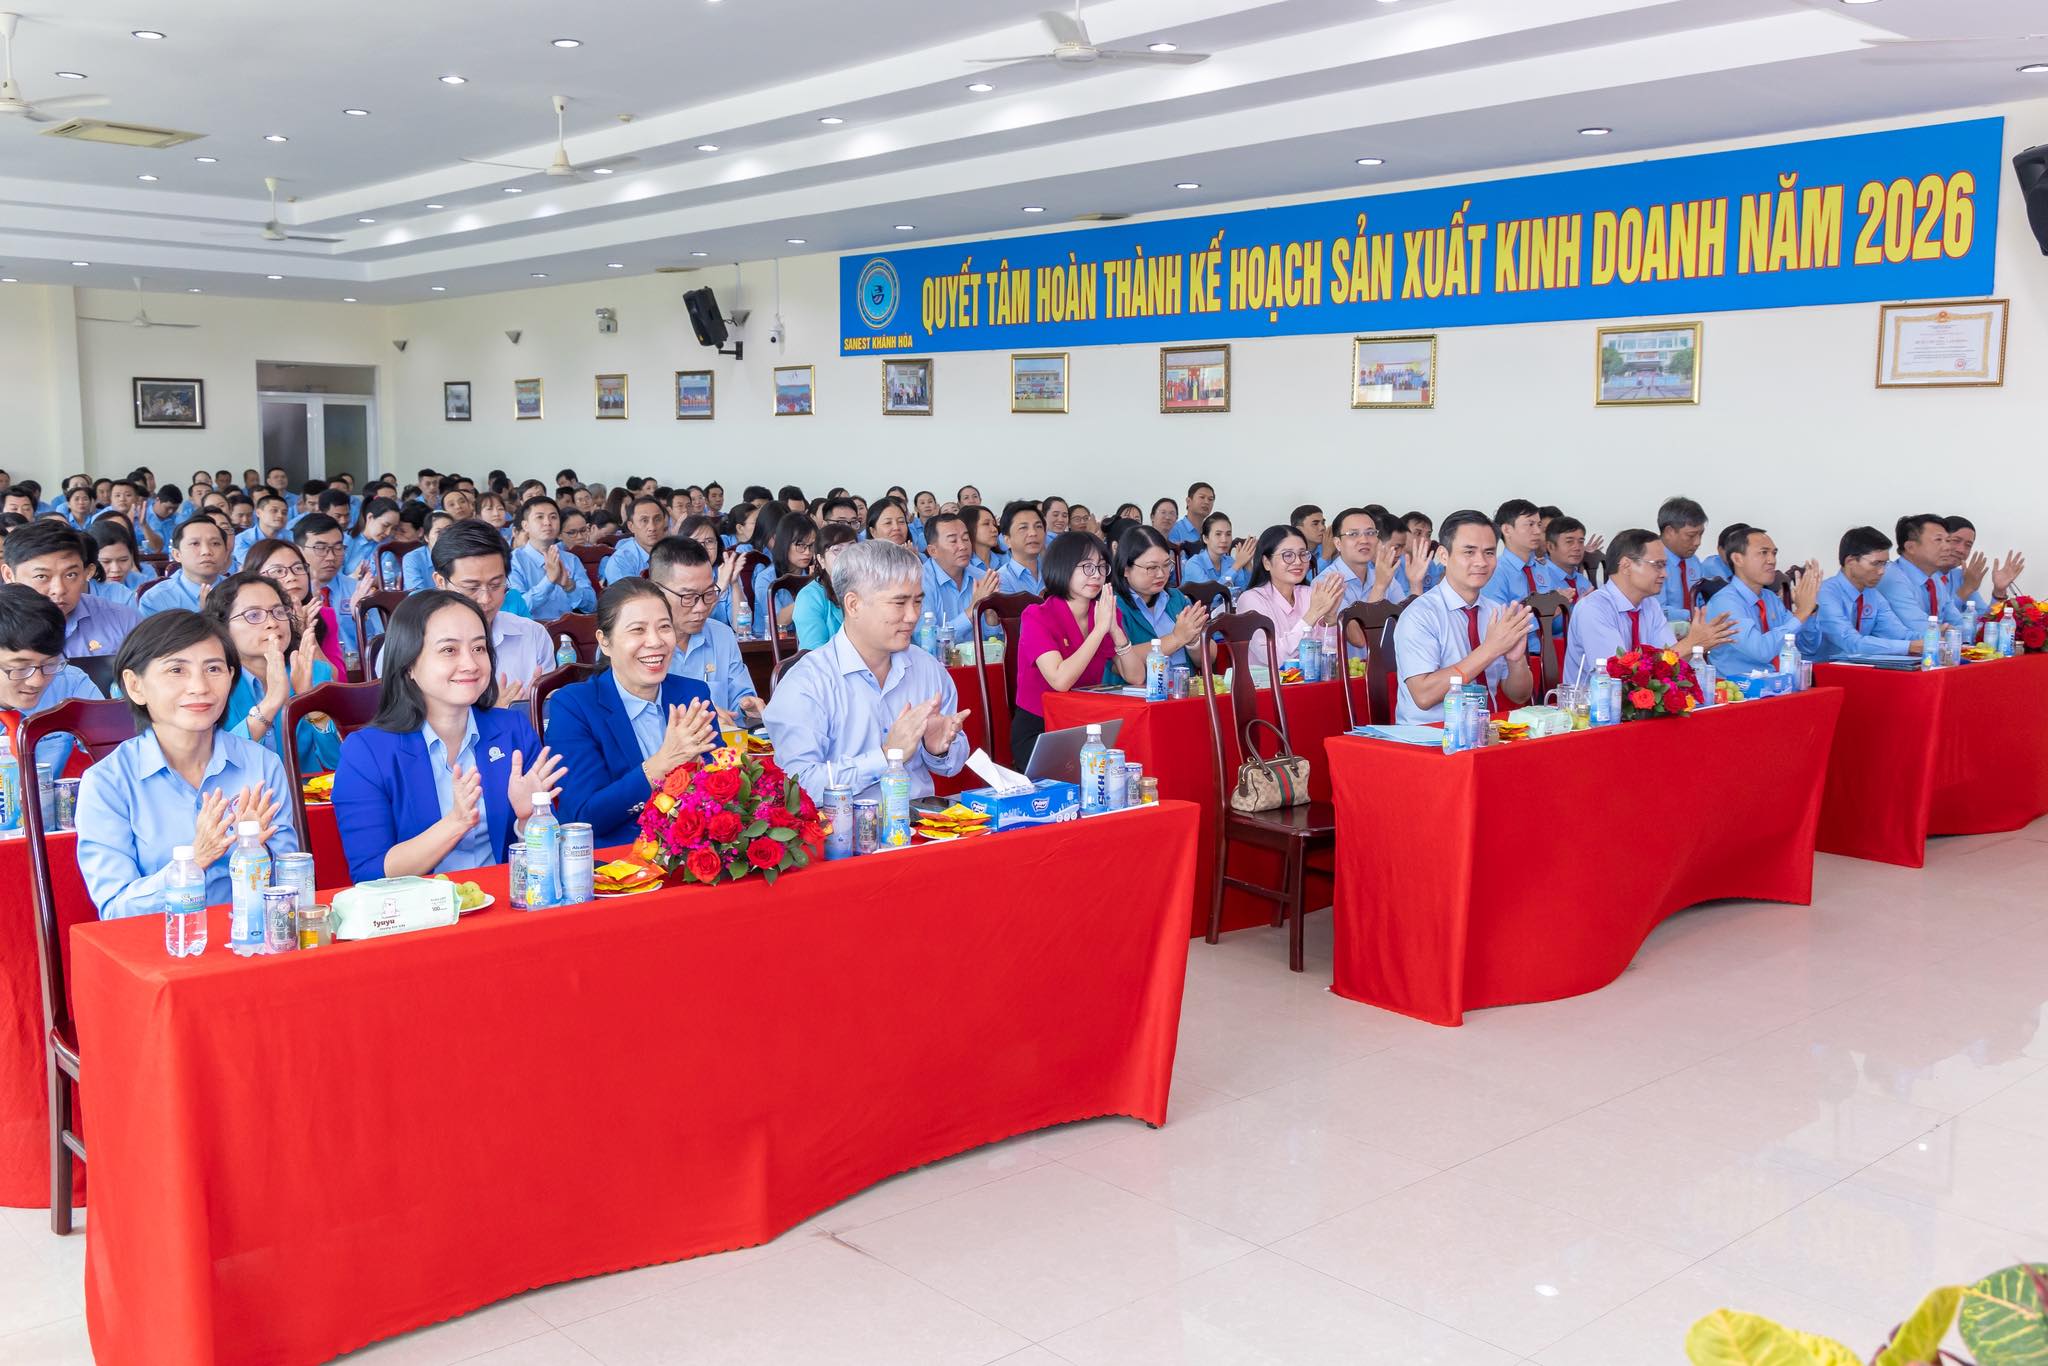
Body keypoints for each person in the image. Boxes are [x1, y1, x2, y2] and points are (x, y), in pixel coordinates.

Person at [74, 610, 297, 919]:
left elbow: (290, 885)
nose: (199, 686)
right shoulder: (107, 781)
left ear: (231, 678)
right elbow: (116, 909)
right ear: (135, 686)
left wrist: (257, 854)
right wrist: (195, 861)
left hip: (251, 936)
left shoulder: (262, 765)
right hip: (158, 943)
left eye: (213, 669)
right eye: (177, 670)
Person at [333, 592, 565, 882]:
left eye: (479, 648)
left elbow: (551, 859)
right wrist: (455, 823)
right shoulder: (367, 752)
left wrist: (529, 819)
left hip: (504, 900)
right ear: (409, 664)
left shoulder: (512, 731)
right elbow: (370, 872)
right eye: (449, 650)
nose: (471, 663)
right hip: (420, 909)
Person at [762, 540, 971, 802]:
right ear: (853, 605)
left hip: (920, 820)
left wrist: (937, 750)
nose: (912, 615)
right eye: (899, 603)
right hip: (840, 825)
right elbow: (797, 787)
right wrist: (885, 756)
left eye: (918, 601)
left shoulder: (928, 668)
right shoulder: (807, 682)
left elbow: (953, 765)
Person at [543, 580, 716, 847]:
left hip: (694, 852)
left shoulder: (692, 694)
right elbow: (583, 817)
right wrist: (660, 765)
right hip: (618, 860)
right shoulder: (574, 706)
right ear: (605, 642)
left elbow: (719, 786)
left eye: (664, 627)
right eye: (638, 630)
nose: (655, 642)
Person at [1008, 532, 1142, 765]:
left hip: (1087, 725)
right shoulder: (1036, 616)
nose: (1097, 575)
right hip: (1041, 729)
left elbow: (1136, 676)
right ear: (1063, 567)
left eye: (1102, 567)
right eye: (1087, 567)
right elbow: (1060, 681)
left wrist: (1115, 630)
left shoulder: (1102, 613)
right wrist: (1099, 630)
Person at [1391, 509, 1535, 724]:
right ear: (1443, 555)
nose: (1481, 562)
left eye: (1489, 552)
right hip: (1430, 735)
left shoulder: (1496, 612)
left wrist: (1516, 661)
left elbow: (1519, 695)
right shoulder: (1420, 614)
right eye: (1469, 552)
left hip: (1485, 731)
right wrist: (1490, 649)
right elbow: (1423, 696)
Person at [202, 569, 339, 772]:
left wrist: (310, 702)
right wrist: (270, 703)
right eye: (253, 615)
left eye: (279, 612)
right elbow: (216, 764)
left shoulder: (314, 672)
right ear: (223, 627)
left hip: (305, 790)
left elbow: (337, 760)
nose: (272, 623)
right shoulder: (212, 683)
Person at [1562, 529, 1735, 684]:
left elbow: (1668, 662)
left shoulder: (1650, 604)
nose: (1665, 574)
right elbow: (1618, 675)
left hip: (1643, 703)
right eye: (1658, 565)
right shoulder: (1593, 608)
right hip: (1593, 706)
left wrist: (1697, 647)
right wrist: (1690, 644)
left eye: (1665, 566)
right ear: (1626, 565)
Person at [651, 535, 762, 723]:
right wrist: (699, 716)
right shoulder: (640, 646)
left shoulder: (722, 636)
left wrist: (747, 709)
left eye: (709, 593)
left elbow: (740, 700)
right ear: (657, 591)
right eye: (688, 597)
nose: (701, 607)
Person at [0, 584, 105, 776]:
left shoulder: (71, 684)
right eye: (21, 668)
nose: (37, 681)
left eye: (50, 664)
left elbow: (111, 755)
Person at [2, 521, 143, 657]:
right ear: (9, 575)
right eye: (41, 577)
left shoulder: (123, 621)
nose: (59, 589)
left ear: (87, 572)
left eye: (70, 575)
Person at [1702, 525, 1822, 677]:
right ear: (1738, 559)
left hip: (1776, 683)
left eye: (1774, 553)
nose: (1772, 560)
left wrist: (1810, 609)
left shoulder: (1770, 598)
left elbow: (1807, 648)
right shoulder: (1725, 602)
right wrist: (1801, 613)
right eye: (1763, 553)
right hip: (1738, 687)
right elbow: (1761, 651)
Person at [1877, 513, 2021, 634]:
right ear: (1910, 547)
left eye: (1947, 540)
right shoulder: (1892, 577)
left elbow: (1960, 623)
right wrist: (1953, 631)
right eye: (1939, 540)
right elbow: (1923, 630)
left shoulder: (1934, 578)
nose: (1947, 547)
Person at [1238, 524, 1344, 664]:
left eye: (1303, 554)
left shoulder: (1309, 594)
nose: (1298, 561)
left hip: (1311, 677)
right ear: (1267, 562)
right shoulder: (1250, 600)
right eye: (1288, 555)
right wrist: (1312, 614)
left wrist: (1330, 619)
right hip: (1267, 678)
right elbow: (1272, 657)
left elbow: (1330, 657)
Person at [1109, 526, 1209, 673]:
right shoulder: (1112, 606)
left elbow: (1209, 658)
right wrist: (1177, 638)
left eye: (1166, 565)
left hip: (1183, 686)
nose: (1161, 574)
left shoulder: (1176, 598)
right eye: (1152, 568)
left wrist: (1194, 642)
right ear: (1125, 569)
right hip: (1137, 688)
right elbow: (1117, 662)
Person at [1815, 526, 1922, 661]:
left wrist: (1934, 640)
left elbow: (1901, 635)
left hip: (1857, 667)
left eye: (1884, 564)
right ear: (1850, 561)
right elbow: (1852, 642)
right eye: (1876, 563)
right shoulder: (1825, 593)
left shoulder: (1873, 595)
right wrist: (1909, 647)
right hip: (1821, 668)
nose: (1882, 571)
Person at [243, 535, 345, 677]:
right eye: (278, 571)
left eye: (298, 568)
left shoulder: (323, 615)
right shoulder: (248, 621)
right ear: (254, 578)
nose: (292, 577)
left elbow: (338, 680)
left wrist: (306, 635)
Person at [290, 513, 360, 670]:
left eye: (338, 548)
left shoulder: (358, 590)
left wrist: (361, 615)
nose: (331, 557)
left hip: (356, 672)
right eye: (321, 548)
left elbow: (379, 640)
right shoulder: (290, 595)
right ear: (299, 551)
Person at [509, 496, 596, 618]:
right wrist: (548, 581)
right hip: (530, 629)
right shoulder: (513, 561)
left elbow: (592, 607)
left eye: (553, 517)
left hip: (569, 629)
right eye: (540, 517)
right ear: (525, 525)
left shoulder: (571, 560)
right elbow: (516, 609)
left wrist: (569, 586)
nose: (548, 523)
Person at [920, 512, 1000, 641]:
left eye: (966, 539)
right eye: (953, 541)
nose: (963, 546)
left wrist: (991, 616)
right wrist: (972, 610)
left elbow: (994, 643)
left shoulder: (982, 578)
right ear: (933, 551)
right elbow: (928, 641)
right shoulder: (918, 583)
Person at [1318, 508, 1406, 615]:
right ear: (1338, 543)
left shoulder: (1381, 575)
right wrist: (1379, 587)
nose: (1364, 540)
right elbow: (1349, 625)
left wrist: (1415, 583)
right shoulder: (1325, 583)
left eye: (1370, 533)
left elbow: (1407, 617)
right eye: (1353, 534)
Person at [141, 516, 230, 617]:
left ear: (226, 553)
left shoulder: (238, 591)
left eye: (215, 543)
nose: (206, 551)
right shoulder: (156, 599)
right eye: (195, 543)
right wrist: (205, 615)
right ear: (177, 555)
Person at [793, 523, 859, 649]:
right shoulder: (809, 597)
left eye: (852, 548)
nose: (847, 556)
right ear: (821, 560)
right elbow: (814, 651)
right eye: (837, 550)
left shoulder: (869, 589)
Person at [751, 512, 816, 634]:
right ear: (784, 543)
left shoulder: (813, 573)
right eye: (800, 545)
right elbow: (779, 621)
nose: (807, 552)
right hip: (768, 642)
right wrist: (811, 589)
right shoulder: (765, 578)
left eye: (812, 545)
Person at [1654, 496, 1714, 623]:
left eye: (1701, 534)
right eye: (1691, 536)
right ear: (1669, 532)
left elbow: (1701, 601)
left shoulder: (1694, 562)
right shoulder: (1651, 562)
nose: (1698, 542)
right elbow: (1655, 610)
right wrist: (1693, 615)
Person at [1183, 513, 1252, 592]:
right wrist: (1237, 565)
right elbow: (1210, 595)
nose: (1224, 540)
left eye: (1228, 534)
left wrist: (1247, 564)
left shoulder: (1230, 561)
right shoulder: (1194, 564)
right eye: (1218, 534)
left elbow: (1245, 591)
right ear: (1205, 538)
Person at [996, 501, 1047, 595]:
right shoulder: (1000, 580)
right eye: (1023, 528)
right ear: (1007, 540)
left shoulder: (1055, 572)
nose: (1033, 533)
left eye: (1038, 526)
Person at [230, 493, 291, 568]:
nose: (280, 515)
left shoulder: (292, 536)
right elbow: (253, 566)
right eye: (274, 510)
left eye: (284, 513)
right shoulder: (242, 539)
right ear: (258, 513)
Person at [400, 510, 456, 592]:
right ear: (426, 537)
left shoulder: (460, 556)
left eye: (449, 531)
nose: (445, 536)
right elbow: (417, 594)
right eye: (439, 532)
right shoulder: (412, 559)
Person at [962, 504, 1005, 576]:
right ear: (969, 527)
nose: (994, 529)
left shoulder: (1006, 557)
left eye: (994, 524)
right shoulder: (962, 566)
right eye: (986, 524)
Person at [1290, 504, 1329, 577]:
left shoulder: (1330, 548)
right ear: (1299, 530)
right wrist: (1325, 557)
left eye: (1323, 523)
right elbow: (1301, 581)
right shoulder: (1289, 554)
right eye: (1315, 524)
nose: (1323, 528)